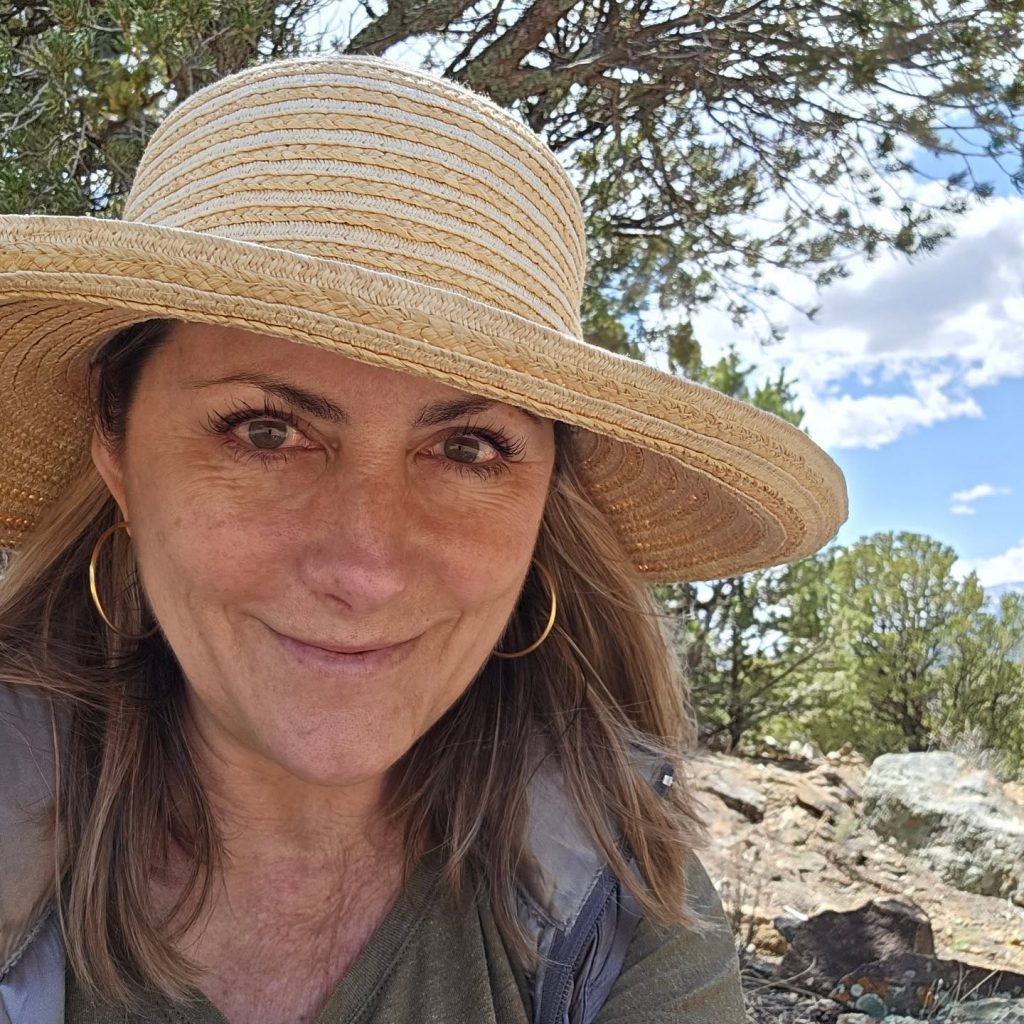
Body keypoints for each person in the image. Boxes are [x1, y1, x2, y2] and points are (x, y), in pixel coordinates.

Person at [0, 55, 847, 1024]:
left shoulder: (613, 891)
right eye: (265, 431)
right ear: (116, 444)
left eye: (466, 448)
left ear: (543, 501)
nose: (364, 568)